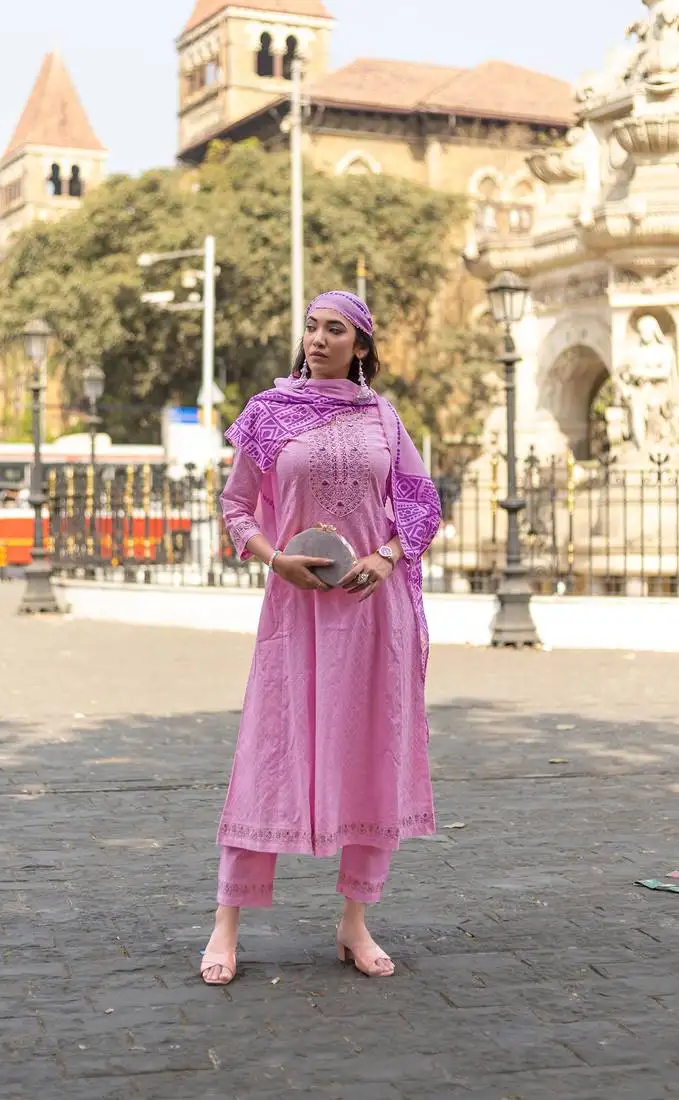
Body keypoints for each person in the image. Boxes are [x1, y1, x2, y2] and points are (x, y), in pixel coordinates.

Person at [200, 290, 442, 985]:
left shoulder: (382, 418)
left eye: (334, 329)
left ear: (360, 346)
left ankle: (353, 923)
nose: (317, 338)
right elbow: (236, 506)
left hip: (373, 615)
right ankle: (226, 922)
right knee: (268, 754)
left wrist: (387, 557)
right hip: (296, 613)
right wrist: (275, 559)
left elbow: (421, 503)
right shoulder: (269, 414)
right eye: (310, 326)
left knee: (372, 754)